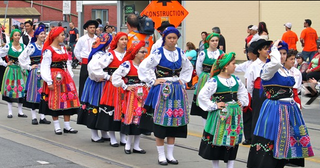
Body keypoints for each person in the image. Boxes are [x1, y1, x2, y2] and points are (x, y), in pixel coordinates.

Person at [247, 40, 314, 168]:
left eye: (284, 53)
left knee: (286, 144)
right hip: (275, 109)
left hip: (289, 110)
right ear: (272, 54)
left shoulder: (286, 70)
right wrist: (274, 49)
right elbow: (276, 63)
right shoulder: (268, 69)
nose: (282, 56)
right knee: (272, 141)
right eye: (280, 53)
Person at [138, 27, 193, 165]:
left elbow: (188, 68)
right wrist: (153, 81)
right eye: (169, 38)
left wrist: (183, 80)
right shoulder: (158, 52)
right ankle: (161, 155)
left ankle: (170, 155)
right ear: (165, 38)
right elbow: (145, 66)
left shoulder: (180, 53)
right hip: (162, 90)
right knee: (161, 122)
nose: (172, 40)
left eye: (174, 38)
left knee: (173, 122)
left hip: (176, 90)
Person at [198, 52, 248, 168]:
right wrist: (214, 105)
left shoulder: (236, 79)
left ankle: (230, 166)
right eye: (233, 64)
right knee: (217, 141)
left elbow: (243, 92)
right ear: (226, 66)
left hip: (234, 116)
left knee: (232, 141)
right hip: (220, 116)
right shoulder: (214, 81)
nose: (235, 66)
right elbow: (202, 96)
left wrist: (241, 101)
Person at [39, 27, 80, 135]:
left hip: (65, 77)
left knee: (67, 99)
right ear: (56, 36)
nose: (64, 37)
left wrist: (70, 75)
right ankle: (57, 126)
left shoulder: (63, 49)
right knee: (55, 101)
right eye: (62, 35)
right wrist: (49, 81)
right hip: (54, 77)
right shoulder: (49, 50)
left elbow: (68, 63)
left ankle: (67, 126)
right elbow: (45, 66)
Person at [112, 40, 148, 154]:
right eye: (142, 52)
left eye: (145, 52)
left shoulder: (144, 65)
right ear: (136, 53)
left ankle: (136, 145)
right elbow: (116, 76)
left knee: (140, 120)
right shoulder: (127, 64)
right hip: (132, 96)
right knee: (132, 119)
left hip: (143, 95)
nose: (144, 54)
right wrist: (125, 86)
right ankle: (128, 145)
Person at [77, 33, 112, 142]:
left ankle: (104, 132)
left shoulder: (103, 53)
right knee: (95, 105)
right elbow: (92, 69)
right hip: (96, 83)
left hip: (102, 83)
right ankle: (94, 134)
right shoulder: (99, 55)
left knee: (102, 106)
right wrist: (104, 76)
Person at [97, 32, 128, 147]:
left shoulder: (128, 55)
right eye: (122, 39)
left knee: (124, 110)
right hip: (112, 86)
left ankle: (123, 137)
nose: (124, 41)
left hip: (124, 86)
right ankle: (112, 137)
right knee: (112, 108)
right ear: (117, 41)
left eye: (126, 39)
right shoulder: (110, 55)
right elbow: (96, 66)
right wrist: (107, 76)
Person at [18, 25, 51, 125]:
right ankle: (34, 117)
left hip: (44, 72)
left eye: (44, 34)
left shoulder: (46, 46)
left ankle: (42, 116)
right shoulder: (32, 46)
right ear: (36, 35)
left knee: (43, 93)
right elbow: (21, 58)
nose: (43, 35)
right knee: (34, 93)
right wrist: (29, 67)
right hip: (35, 72)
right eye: (41, 34)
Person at [190, 33, 224, 126]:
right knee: (205, 99)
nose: (215, 43)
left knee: (216, 99)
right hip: (206, 78)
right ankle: (205, 125)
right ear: (208, 42)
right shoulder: (203, 53)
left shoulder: (221, 53)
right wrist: (205, 78)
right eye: (212, 41)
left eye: (216, 41)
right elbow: (198, 68)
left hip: (217, 78)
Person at [246, 39, 272, 143]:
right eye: (265, 49)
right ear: (259, 51)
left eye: (268, 49)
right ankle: (255, 138)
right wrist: (253, 95)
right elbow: (249, 84)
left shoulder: (272, 63)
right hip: (258, 92)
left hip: (270, 91)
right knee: (257, 115)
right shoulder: (254, 65)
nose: (267, 51)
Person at [234, 41, 258, 145]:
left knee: (256, 117)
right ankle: (248, 137)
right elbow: (236, 68)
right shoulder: (248, 64)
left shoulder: (263, 64)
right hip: (248, 94)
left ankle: (256, 136)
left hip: (257, 94)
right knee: (247, 117)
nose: (247, 54)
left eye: (249, 52)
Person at [0, 29, 27, 118]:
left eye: (19, 35)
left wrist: (25, 65)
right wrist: (4, 63)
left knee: (21, 89)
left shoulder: (24, 46)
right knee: (10, 89)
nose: (17, 37)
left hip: (20, 70)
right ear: (12, 37)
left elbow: (27, 58)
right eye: (15, 35)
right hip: (11, 70)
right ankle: (10, 111)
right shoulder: (8, 46)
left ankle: (20, 111)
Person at [74, 20, 98, 98]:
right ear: (87, 29)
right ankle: (82, 100)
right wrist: (81, 60)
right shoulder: (82, 39)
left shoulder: (97, 39)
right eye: (90, 27)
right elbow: (76, 51)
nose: (92, 29)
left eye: (94, 28)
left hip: (95, 63)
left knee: (94, 81)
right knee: (83, 81)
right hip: (85, 62)